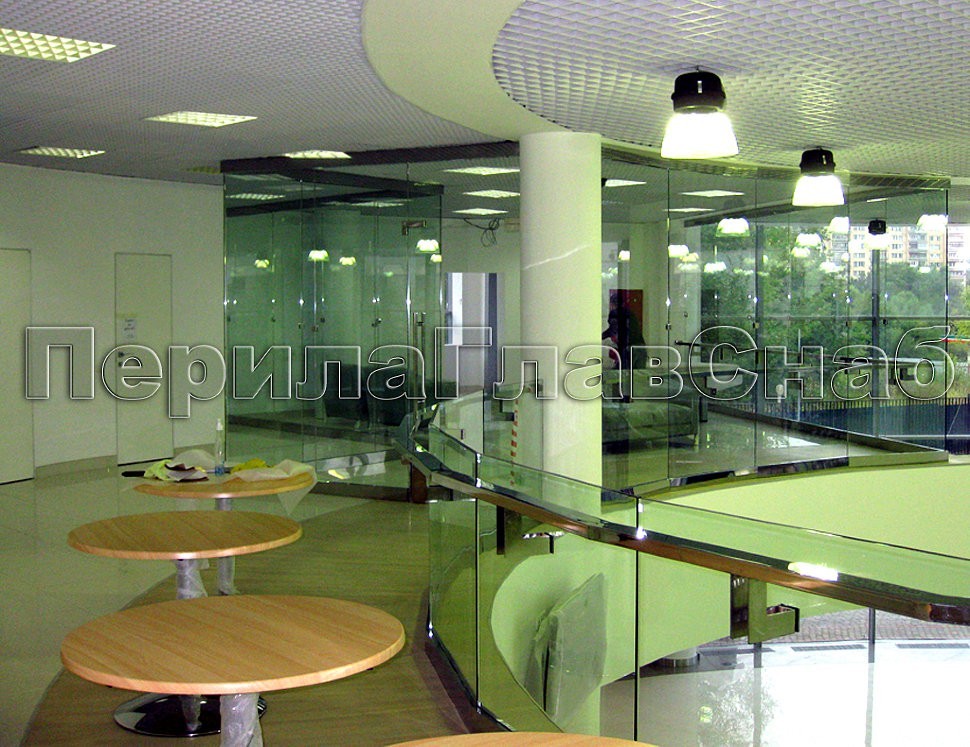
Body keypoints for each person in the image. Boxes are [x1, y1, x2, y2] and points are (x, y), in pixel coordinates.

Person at [603, 295, 645, 369]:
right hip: (640, 347)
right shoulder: (630, 313)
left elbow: (613, 329)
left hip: (628, 349)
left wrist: (600, 336)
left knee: (621, 372)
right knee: (638, 373)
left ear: (612, 304)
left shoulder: (615, 313)